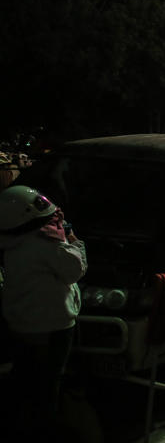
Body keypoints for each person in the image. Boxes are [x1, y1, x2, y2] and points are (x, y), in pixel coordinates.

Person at [0, 185, 87, 441]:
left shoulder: (11, 244)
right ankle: (44, 430)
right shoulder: (46, 244)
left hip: (23, 323)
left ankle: (21, 425)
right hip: (54, 326)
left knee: (26, 378)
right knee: (49, 383)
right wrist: (74, 240)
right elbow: (75, 269)